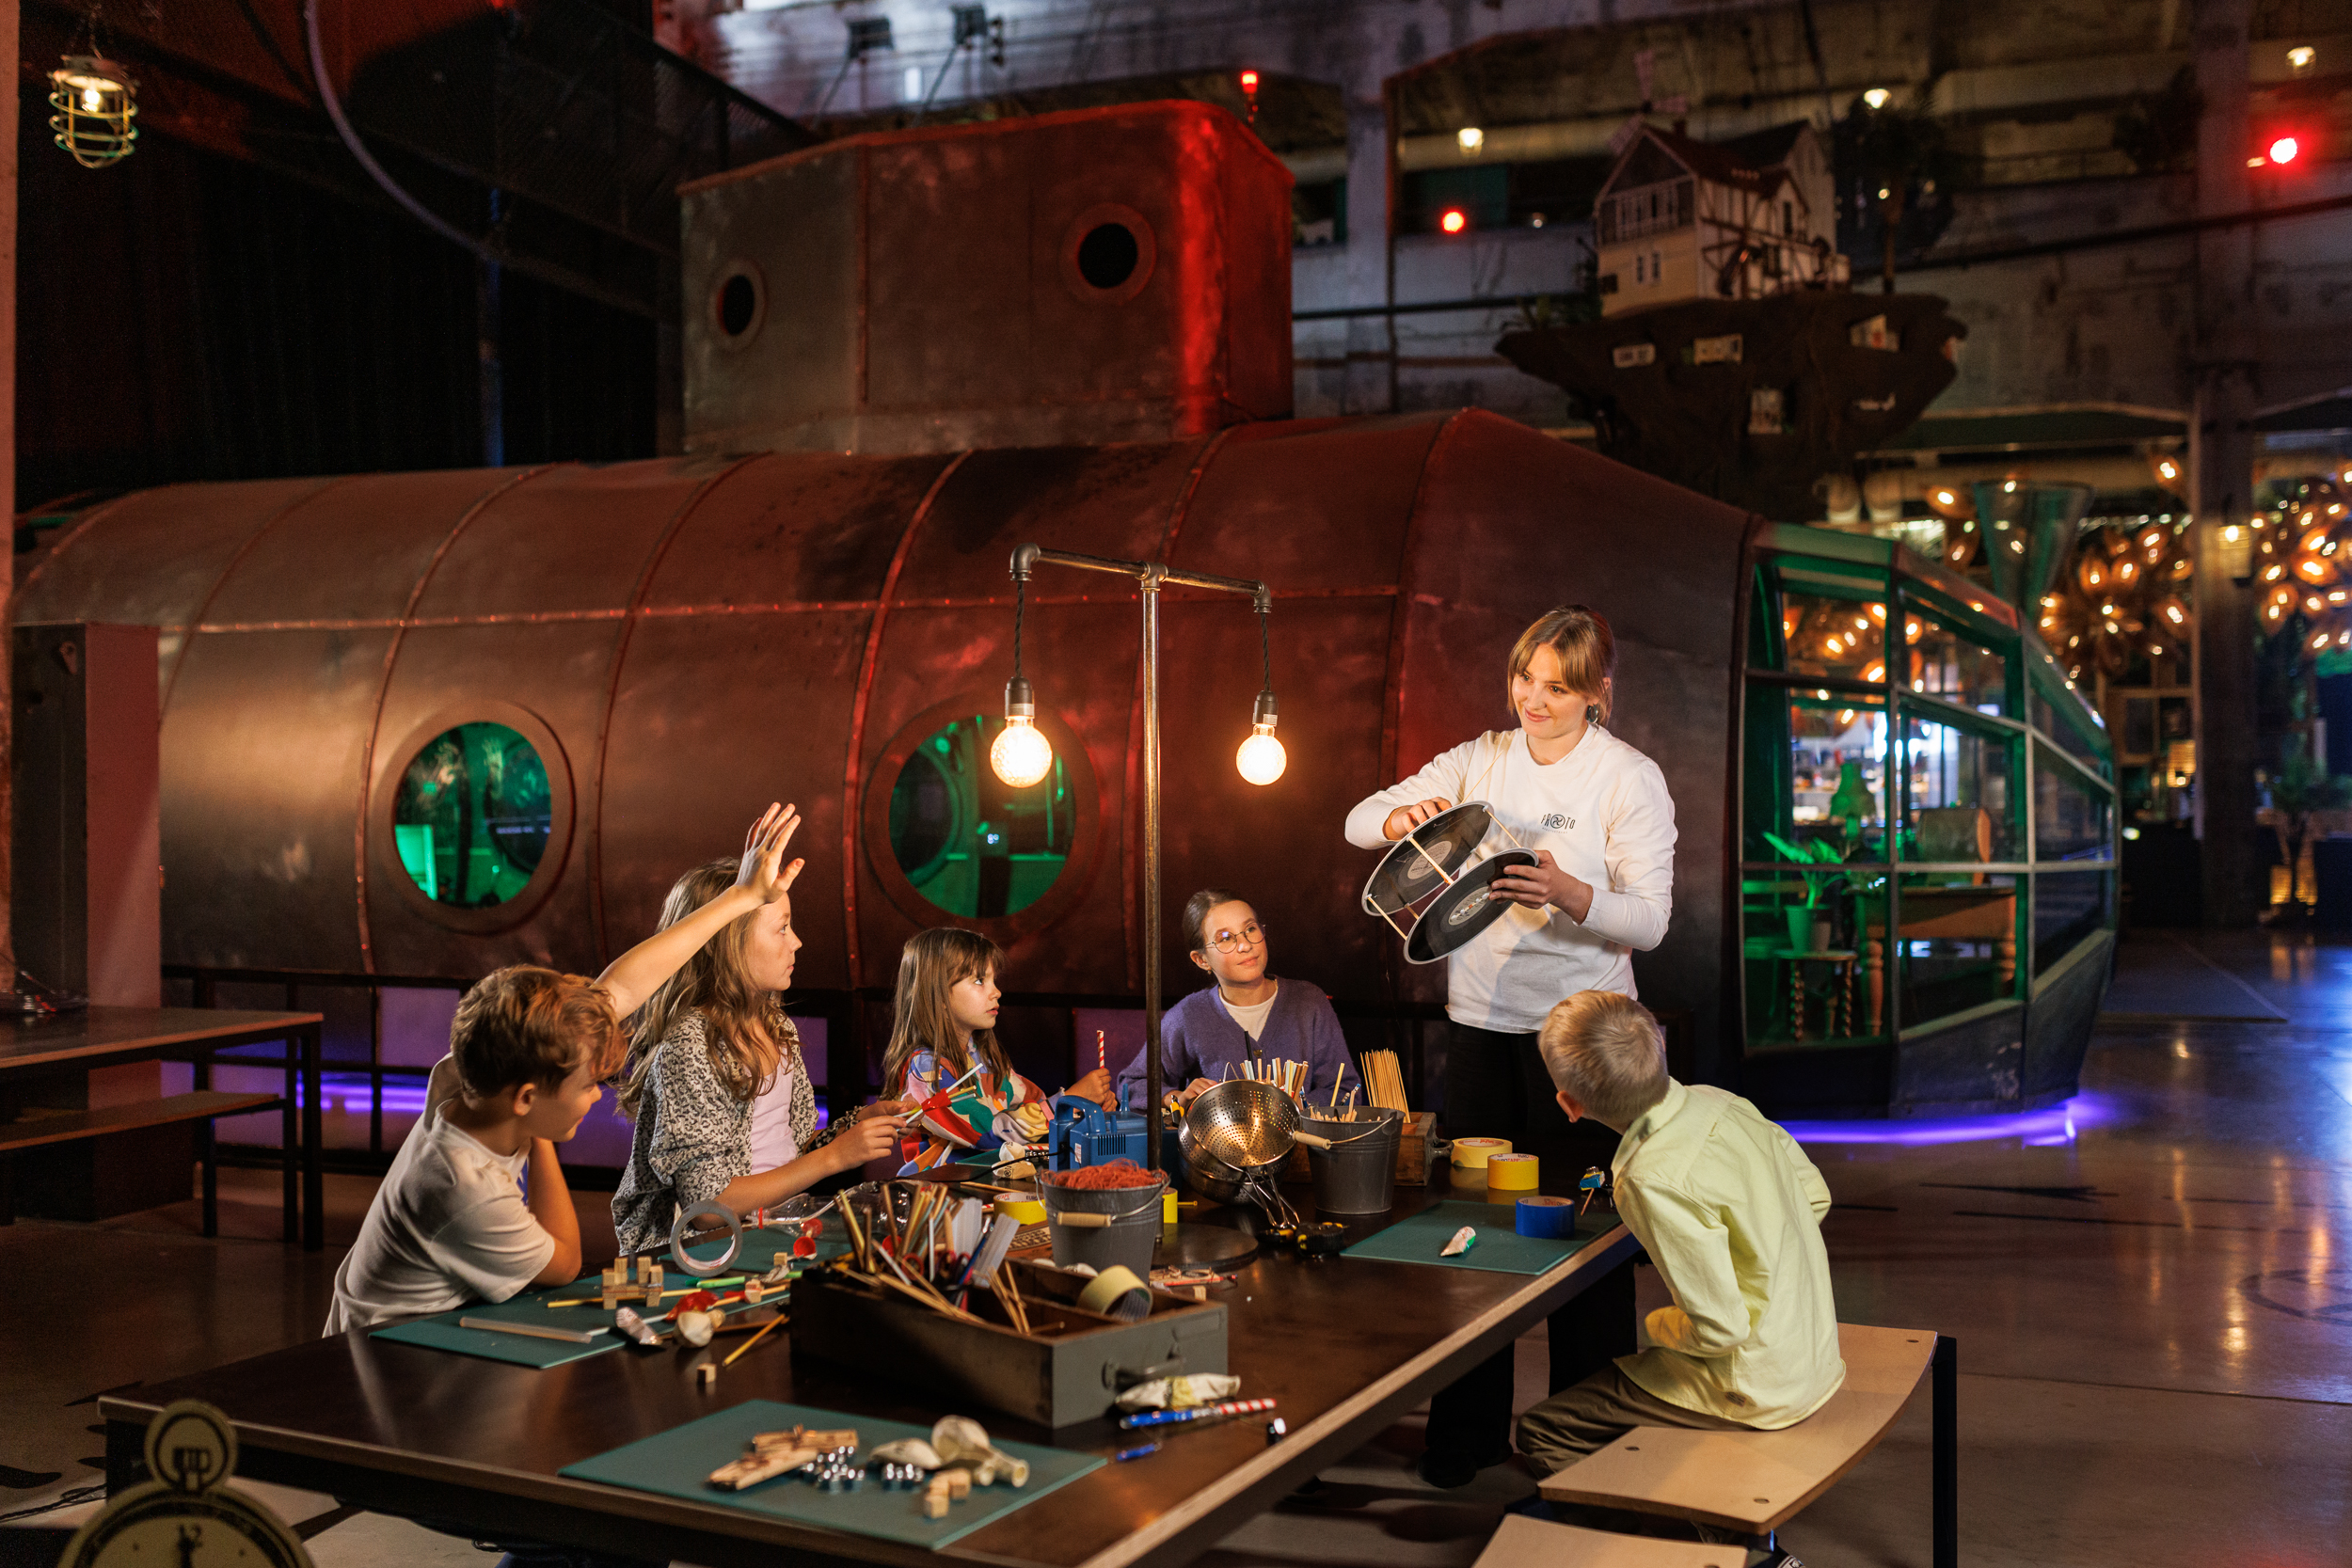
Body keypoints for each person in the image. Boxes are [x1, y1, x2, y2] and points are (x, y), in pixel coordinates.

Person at [1343, 604, 1678, 1486]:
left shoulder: (1628, 776)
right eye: (1526, 678)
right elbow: (1358, 821)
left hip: (1586, 1041)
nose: (1534, 699)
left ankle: (1585, 1448)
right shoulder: (1481, 758)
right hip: (1481, 1030)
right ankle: (1466, 1437)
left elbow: (1650, 920)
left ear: (1597, 693)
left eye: (1558, 687)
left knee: (1587, 1236)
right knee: (1474, 1235)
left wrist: (1569, 891)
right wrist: (1404, 817)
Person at [326, 803, 810, 1334]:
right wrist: (541, 1136)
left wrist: (741, 896)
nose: (597, 1096)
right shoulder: (468, 1190)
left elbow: (619, 988)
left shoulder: (467, 1079)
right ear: (526, 1098)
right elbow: (564, 1264)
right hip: (384, 1348)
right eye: (586, 1085)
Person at [1516, 990, 1843, 1478]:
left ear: (1570, 1104)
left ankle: (1675, 1523)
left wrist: (1657, 1326)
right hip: (1812, 1356)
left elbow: (1721, 1329)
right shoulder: (1722, 1101)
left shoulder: (1649, 1179)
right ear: (1659, 1047)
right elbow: (1815, 1197)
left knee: (1544, 1429)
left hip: (1757, 1386)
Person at [610, 811, 908, 1257]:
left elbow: (789, 1152)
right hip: (705, 1256)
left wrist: (857, 1127)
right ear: (729, 943)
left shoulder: (776, 1025)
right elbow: (708, 1208)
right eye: (782, 928)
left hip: (775, 1233)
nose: (797, 942)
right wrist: (835, 1157)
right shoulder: (692, 1043)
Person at [882, 927, 1118, 1173]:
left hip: (990, 1181)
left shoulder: (985, 1059)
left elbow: (1034, 1105)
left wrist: (1083, 1107)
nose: (996, 992)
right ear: (938, 994)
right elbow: (987, 1134)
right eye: (979, 981)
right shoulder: (926, 1069)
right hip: (939, 1190)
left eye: (993, 980)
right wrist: (1067, 1102)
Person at [1117, 888, 1359, 1113]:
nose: (1245, 945)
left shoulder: (1309, 1002)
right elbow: (1133, 1084)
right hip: (1218, 1146)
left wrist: (1297, 1106)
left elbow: (1348, 1091)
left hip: (1302, 1146)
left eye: (1250, 929)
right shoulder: (1189, 1016)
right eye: (1225, 938)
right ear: (1202, 960)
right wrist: (1176, 1098)